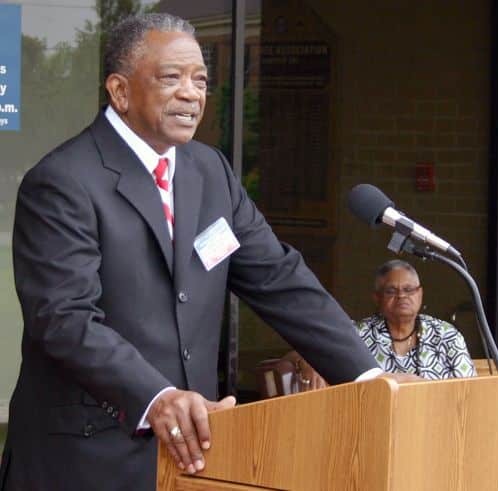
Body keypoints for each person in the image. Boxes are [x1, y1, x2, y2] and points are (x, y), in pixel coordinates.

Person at [0, 13, 398, 491]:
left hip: (189, 458)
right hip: (84, 460)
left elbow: (278, 277)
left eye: (201, 80)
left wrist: (369, 377)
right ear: (120, 91)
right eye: (172, 77)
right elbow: (64, 318)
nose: (192, 94)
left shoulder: (210, 172)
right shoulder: (63, 182)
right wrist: (157, 396)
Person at [286, 259, 476, 387]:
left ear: (420, 294)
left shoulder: (446, 334)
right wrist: (306, 361)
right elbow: (293, 356)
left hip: (435, 424)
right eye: (391, 291)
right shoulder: (359, 333)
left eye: (409, 290)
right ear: (377, 298)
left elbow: (470, 390)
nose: (401, 296)